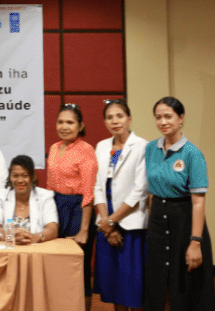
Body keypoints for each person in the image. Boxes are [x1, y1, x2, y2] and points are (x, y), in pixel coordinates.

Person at [144, 97, 215, 311]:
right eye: (158, 117)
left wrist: (195, 242)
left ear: (181, 118)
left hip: (184, 221)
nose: (163, 122)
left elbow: (198, 202)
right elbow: (151, 191)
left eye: (168, 116)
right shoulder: (150, 149)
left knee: (186, 284)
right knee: (157, 283)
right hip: (158, 220)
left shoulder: (192, 154)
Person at [93, 100, 149, 311]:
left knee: (133, 286)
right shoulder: (102, 146)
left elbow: (140, 190)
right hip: (106, 226)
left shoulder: (142, 146)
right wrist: (107, 225)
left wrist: (111, 221)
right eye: (109, 117)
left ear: (129, 119)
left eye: (119, 116)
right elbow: (97, 186)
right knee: (114, 286)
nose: (115, 121)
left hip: (131, 225)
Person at [47, 103, 98, 300]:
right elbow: (50, 185)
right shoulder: (54, 148)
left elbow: (89, 193)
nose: (64, 126)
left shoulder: (86, 150)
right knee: (55, 265)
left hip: (79, 210)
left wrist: (84, 230)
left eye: (70, 122)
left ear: (81, 125)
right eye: (61, 122)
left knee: (79, 268)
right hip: (55, 208)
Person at [0, 155, 59, 244]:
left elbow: (52, 229)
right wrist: (9, 236)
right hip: (7, 249)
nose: (20, 180)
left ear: (33, 177)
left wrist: (37, 237)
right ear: (10, 177)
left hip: (36, 251)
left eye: (24, 176)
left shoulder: (45, 196)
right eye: (15, 176)